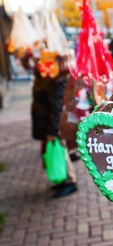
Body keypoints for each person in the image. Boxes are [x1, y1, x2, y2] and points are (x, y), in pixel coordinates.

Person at [31, 61, 78, 198]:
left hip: (53, 126)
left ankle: (69, 181)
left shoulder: (55, 79)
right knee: (58, 152)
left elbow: (56, 108)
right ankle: (63, 179)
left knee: (61, 152)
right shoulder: (45, 76)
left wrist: (52, 131)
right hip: (47, 124)